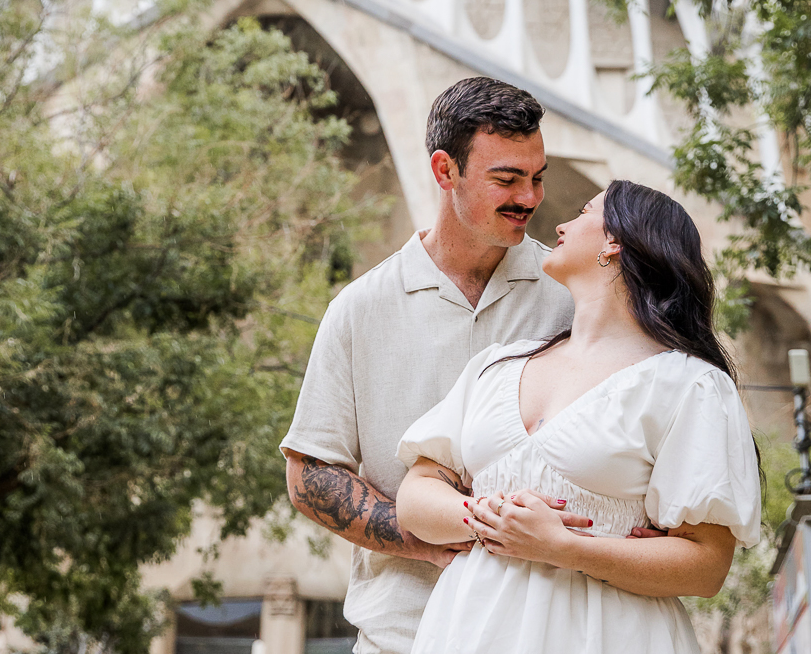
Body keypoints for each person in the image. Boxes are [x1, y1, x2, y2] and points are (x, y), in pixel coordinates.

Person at [395, 180, 762, 654]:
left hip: (609, 635)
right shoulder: (499, 365)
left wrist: (564, 548)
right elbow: (416, 495)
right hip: (469, 628)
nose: (562, 225)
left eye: (584, 211)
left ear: (615, 241)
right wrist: (483, 516)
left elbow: (707, 565)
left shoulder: (689, 385)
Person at [280, 77, 578, 654]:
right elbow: (309, 473)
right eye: (506, 179)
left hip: (545, 632)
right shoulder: (358, 310)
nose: (530, 197)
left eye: (537, 177)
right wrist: (417, 536)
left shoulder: (570, 295)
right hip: (403, 637)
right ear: (445, 171)